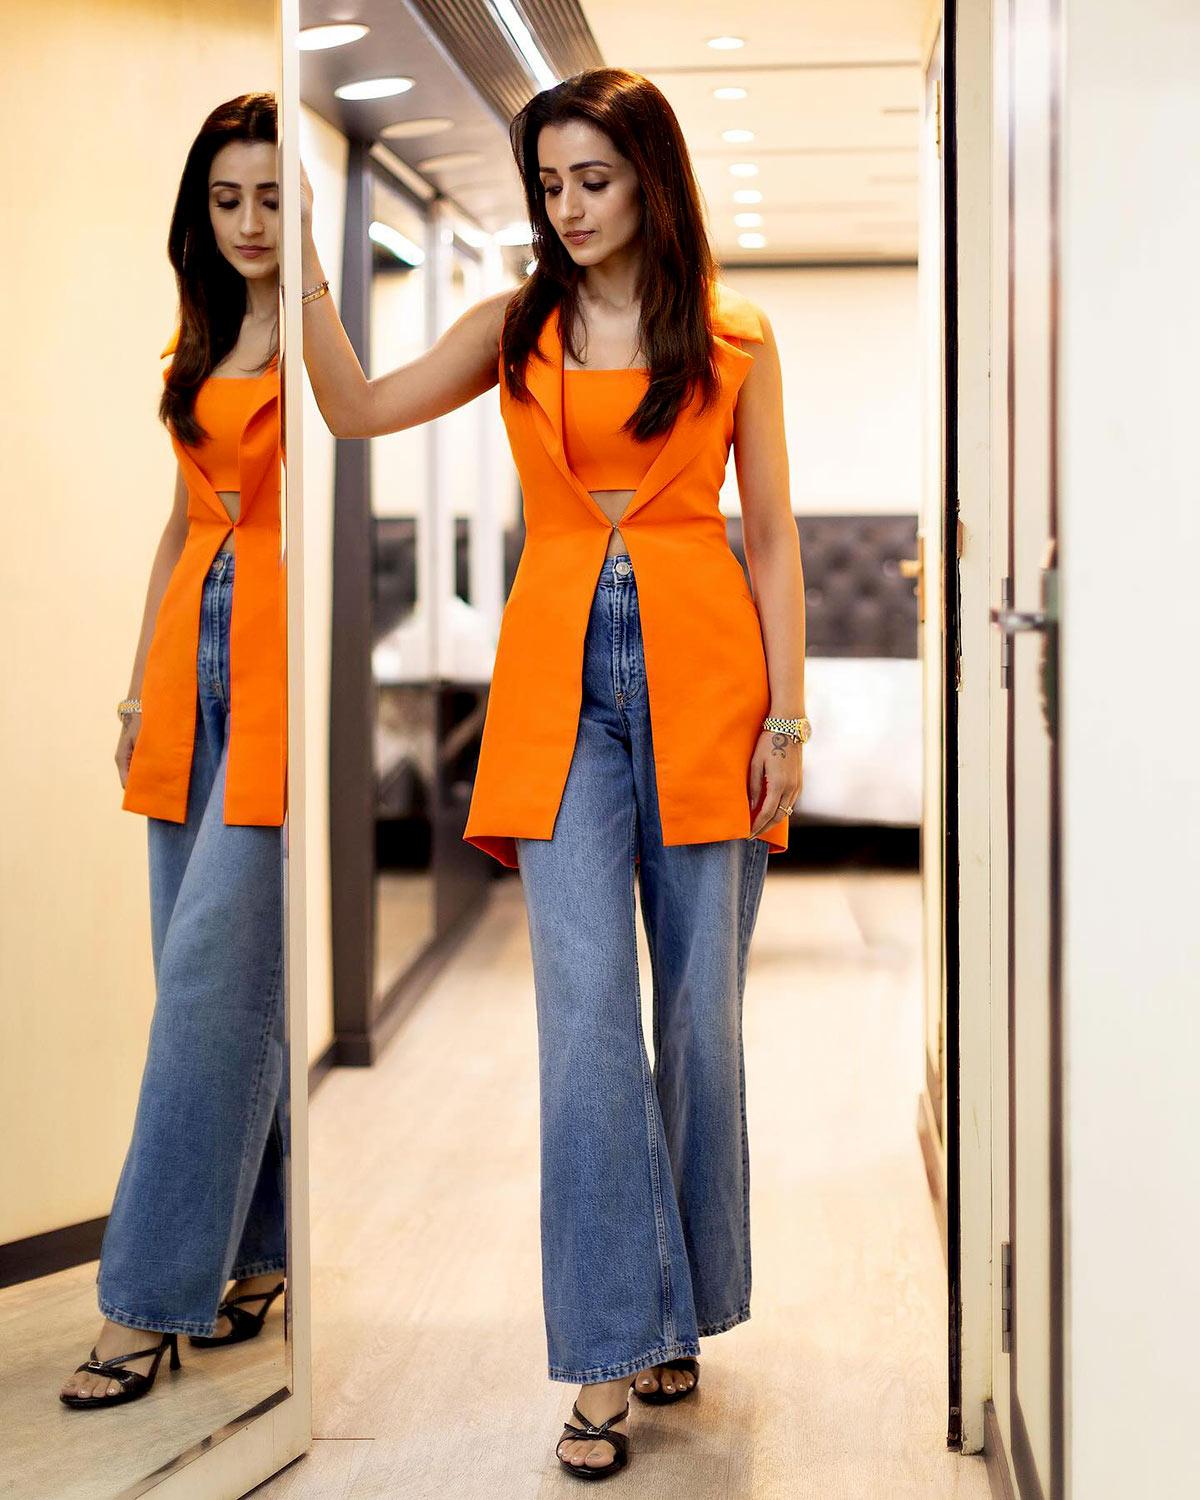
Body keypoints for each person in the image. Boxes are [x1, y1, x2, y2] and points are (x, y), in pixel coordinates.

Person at [300, 66, 808, 1480]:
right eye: (550, 184)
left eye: (593, 178)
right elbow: (351, 410)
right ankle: (601, 1354)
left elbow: (769, 538)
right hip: (560, 699)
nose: (569, 206)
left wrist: (792, 722)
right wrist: (311, 267)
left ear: (651, 176)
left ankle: (681, 1314)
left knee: (698, 1019)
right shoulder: (514, 329)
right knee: (586, 1021)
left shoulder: (735, 334)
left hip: (713, 694)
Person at [59, 93, 289, 1410]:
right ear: (200, 213)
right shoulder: (197, 340)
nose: (249, 223)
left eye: (270, 197)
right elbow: (177, 522)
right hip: (184, 672)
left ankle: (142, 1301)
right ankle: (253, 1259)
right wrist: (141, 686)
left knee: (212, 985)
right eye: (227, 199)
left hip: (269, 672)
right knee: (196, 977)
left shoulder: (310, 348)